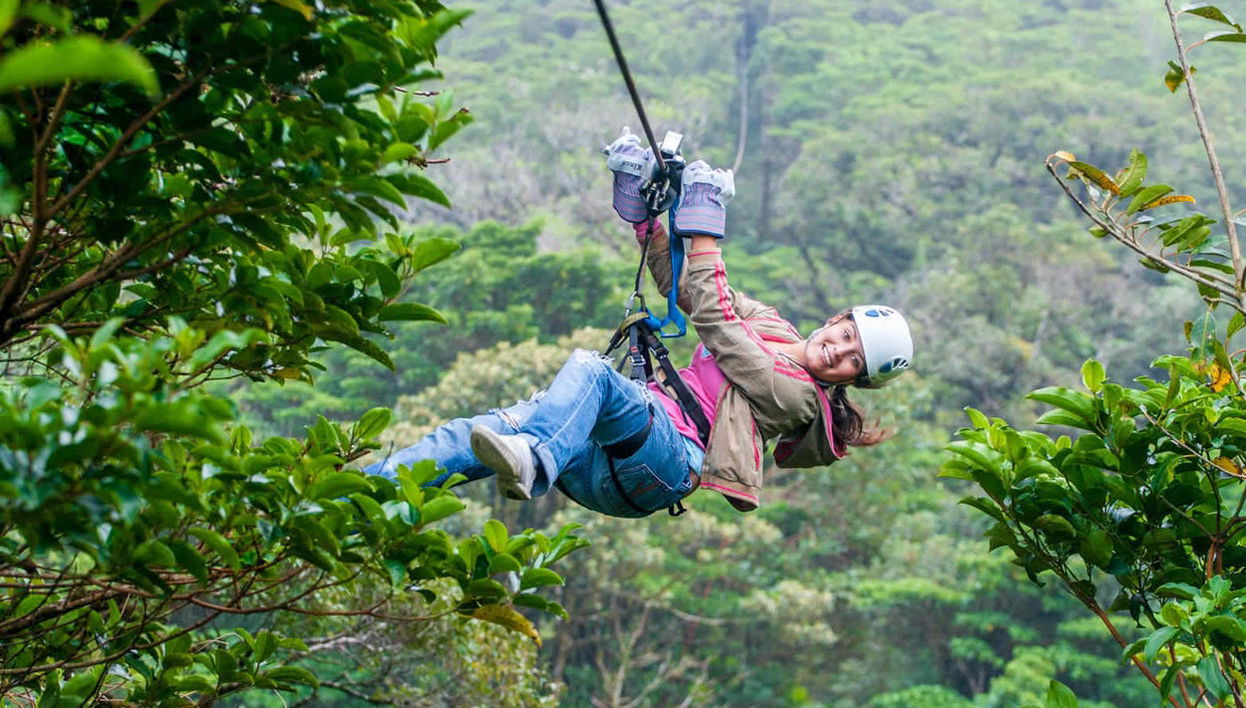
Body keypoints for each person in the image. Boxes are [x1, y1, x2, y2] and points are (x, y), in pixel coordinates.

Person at [363, 129, 913, 517]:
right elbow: (690, 291)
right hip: (614, 447)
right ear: (836, 320)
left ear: (851, 381)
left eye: (852, 362)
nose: (837, 352)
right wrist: (650, 221)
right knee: (476, 431)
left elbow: (720, 327)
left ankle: (535, 459)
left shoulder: (797, 398)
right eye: (845, 336)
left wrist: (705, 224)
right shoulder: (772, 324)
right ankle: (361, 493)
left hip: (664, 460)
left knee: (592, 374)